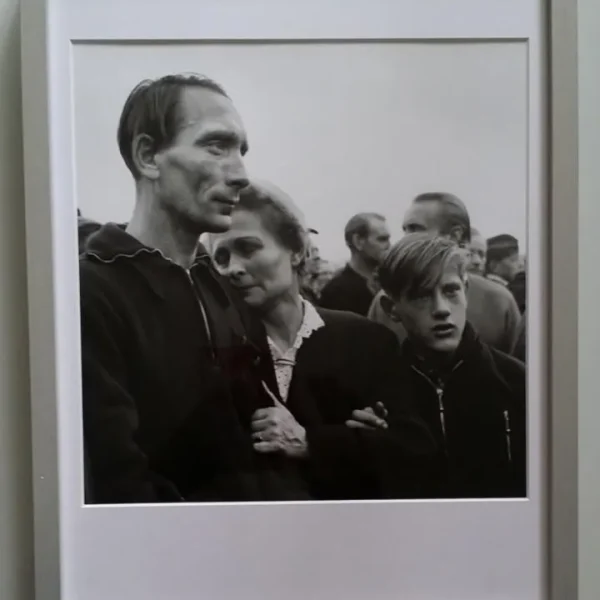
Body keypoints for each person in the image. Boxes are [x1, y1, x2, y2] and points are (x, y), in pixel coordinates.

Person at [80, 73, 311, 503]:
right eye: (216, 146)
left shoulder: (218, 285)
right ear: (149, 156)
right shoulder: (92, 292)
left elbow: (261, 432)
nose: (241, 174)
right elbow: (119, 481)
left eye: (241, 150)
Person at [210, 180, 437, 500]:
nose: (233, 268)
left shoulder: (367, 341)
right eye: (221, 257)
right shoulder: (217, 356)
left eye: (248, 248)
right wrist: (354, 440)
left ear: (296, 250)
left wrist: (310, 442)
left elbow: (414, 451)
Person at [377, 233, 527, 498]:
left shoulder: (517, 382)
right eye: (421, 295)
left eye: (450, 290)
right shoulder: (381, 394)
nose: (442, 309)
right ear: (392, 308)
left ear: (465, 291)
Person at [368, 193, 521, 355]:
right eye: (405, 230)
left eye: (415, 229)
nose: (405, 239)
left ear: (455, 235)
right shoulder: (386, 301)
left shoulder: (499, 301)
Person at [319, 212, 391, 316]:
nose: (389, 245)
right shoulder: (336, 293)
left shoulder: (389, 283)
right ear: (358, 241)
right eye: (382, 239)